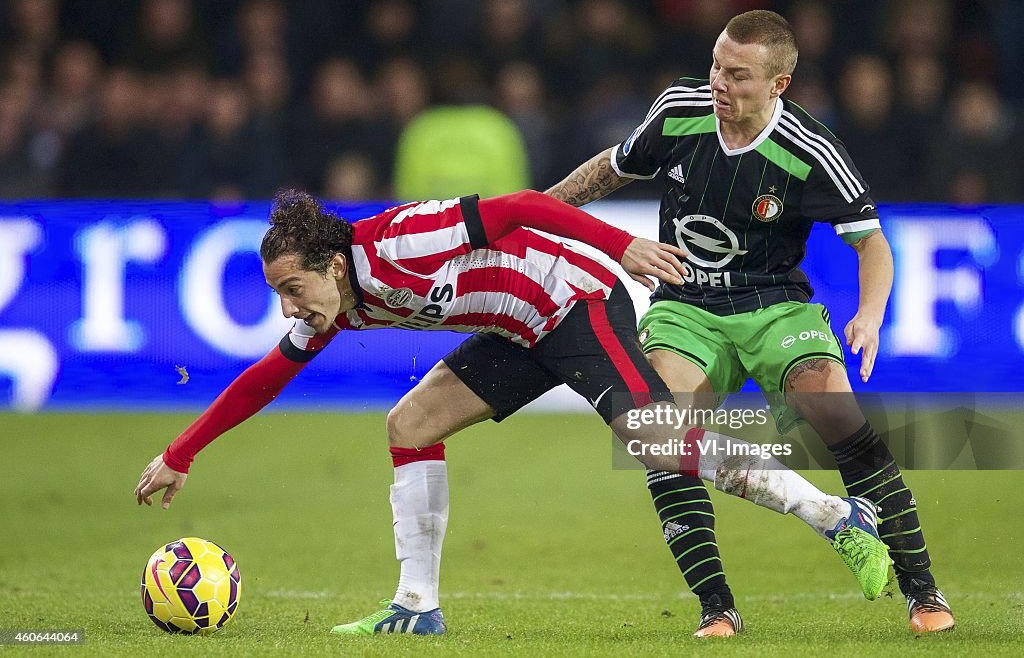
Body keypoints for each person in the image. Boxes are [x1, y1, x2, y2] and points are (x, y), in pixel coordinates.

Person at [135, 187, 889, 636]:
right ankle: (416, 606)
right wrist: (183, 449)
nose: (288, 307)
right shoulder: (333, 304)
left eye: (291, 289)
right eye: (280, 296)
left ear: (331, 265)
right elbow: (267, 377)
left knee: (660, 441)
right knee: (410, 424)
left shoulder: (400, 241)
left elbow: (524, 206)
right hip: (518, 329)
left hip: (576, 298)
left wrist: (622, 243)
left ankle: (836, 515)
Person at [545, 10, 954, 635]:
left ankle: (923, 594)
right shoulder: (678, 112)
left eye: (737, 74)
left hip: (775, 306)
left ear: (778, 84)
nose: (719, 82)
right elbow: (612, 167)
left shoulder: (809, 150)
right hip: (688, 305)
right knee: (661, 433)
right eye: (716, 65)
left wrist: (869, 315)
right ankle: (718, 609)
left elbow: (871, 242)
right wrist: (539, 210)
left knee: (835, 413)